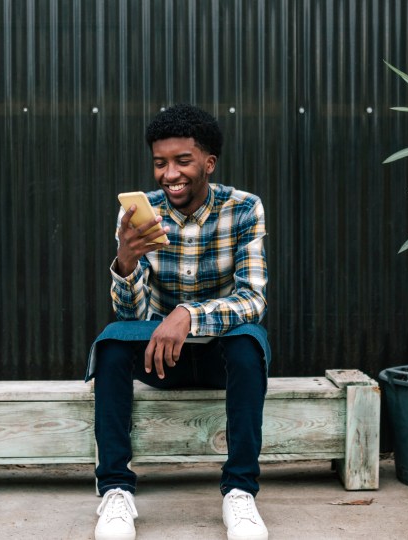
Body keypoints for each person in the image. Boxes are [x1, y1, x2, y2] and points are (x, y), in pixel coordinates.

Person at [86, 104, 271, 540]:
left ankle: (240, 493)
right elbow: (131, 316)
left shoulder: (244, 209)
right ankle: (115, 490)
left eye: (182, 161)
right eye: (160, 163)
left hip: (218, 360)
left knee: (250, 344)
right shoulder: (139, 213)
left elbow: (253, 299)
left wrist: (188, 314)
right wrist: (126, 262)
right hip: (159, 358)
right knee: (111, 344)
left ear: (208, 162)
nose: (170, 174)